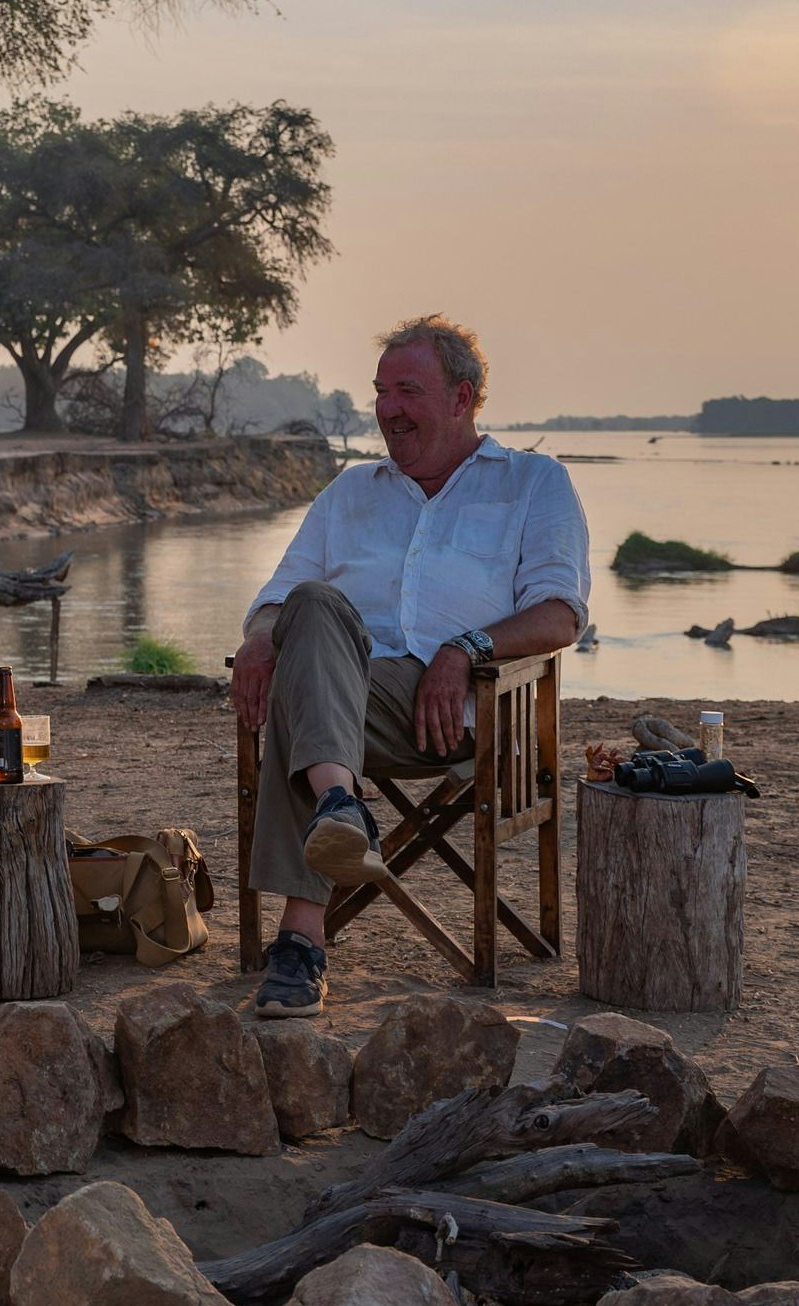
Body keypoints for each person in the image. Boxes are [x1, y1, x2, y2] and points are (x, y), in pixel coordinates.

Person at [230, 318, 589, 1019]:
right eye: (381, 391)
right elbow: (277, 598)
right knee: (311, 609)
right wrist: (258, 637)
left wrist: (465, 649)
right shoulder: (351, 491)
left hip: (462, 710)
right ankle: (339, 808)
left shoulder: (533, 484)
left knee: (303, 706)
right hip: (344, 694)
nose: (389, 407)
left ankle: (304, 932)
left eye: (407, 390)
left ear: (462, 397)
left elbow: (560, 615)